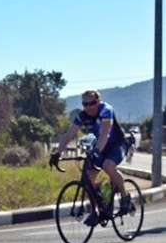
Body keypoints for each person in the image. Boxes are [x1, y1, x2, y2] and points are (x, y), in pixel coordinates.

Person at [50, 89, 131, 224]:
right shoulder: (83, 116)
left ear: (98, 101)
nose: (88, 107)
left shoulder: (106, 110)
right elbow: (69, 135)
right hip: (101, 146)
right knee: (88, 178)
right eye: (84, 104)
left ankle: (125, 197)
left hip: (117, 144)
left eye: (91, 103)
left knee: (108, 166)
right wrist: (57, 153)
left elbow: (105, 133)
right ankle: (97, 210)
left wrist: (97, 150)